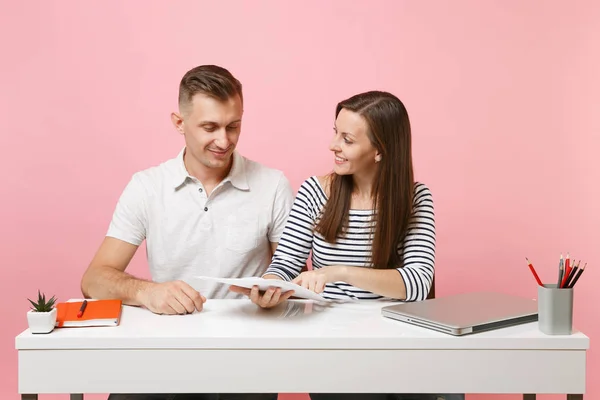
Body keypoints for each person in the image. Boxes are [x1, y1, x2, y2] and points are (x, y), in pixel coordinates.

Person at [231, 91, 464, 400]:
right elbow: (285, 264)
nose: (333, 146)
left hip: (402, 341)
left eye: (348, 140)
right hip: (338, 344)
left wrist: (337, 272)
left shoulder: (416, 198)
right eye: (335, 133)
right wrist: (270, 285)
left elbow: (418, 282)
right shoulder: (315, 192)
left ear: (379, 151)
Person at [81, 65, 293, 400]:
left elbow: (294, 274)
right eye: (209, 127)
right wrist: (146, 292)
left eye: (233, 126)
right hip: (164, 351)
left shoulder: (273, 185)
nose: (224, 140)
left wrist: (278, 292)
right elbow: (93, 280)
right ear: (179, 123)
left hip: (246, 357)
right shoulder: (147, 187)